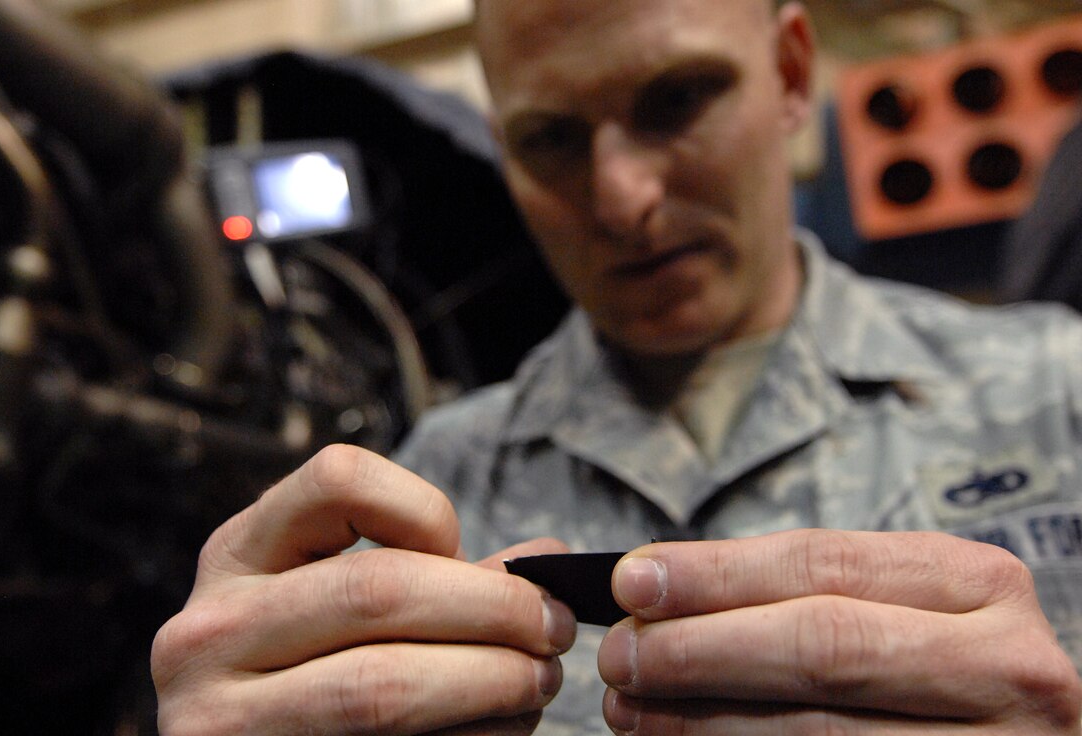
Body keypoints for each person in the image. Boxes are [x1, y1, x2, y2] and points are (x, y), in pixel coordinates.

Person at [151, 0, 1082, 733]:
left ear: (792, 74)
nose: (623, 198)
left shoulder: (1056, 392)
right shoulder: (431, 486)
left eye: (676, 100)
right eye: (551, 138)